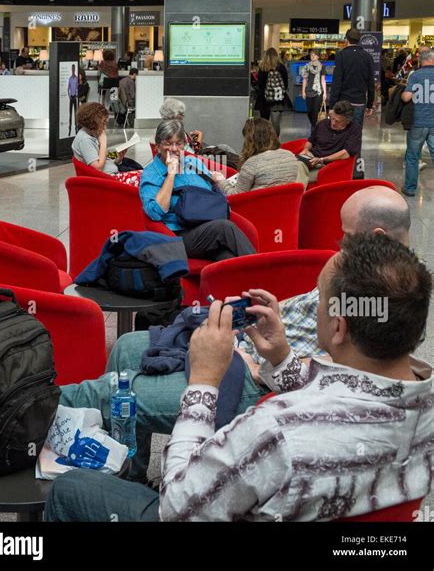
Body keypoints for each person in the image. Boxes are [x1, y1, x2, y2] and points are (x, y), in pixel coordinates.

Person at [45, 233, 432, 522]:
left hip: (189, 506)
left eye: (319, 299)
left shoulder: (275, 430)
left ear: (339, 328)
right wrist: (280, 357)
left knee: (71, 488)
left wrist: (204, 382)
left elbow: (179, 504)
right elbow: (348, 392)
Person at [140, 119, 256, 262]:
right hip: (178, 235)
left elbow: (213, 195)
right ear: (158, 146)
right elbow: (155, 213)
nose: (174, 149)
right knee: (224, 228)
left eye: (179, 143)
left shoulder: (193, 163)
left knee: (228, 257)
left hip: (207, 226)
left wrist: (218, 183)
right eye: (168, 143)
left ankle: (248, 281)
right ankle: (259, 271)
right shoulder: (151, 173)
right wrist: (170, 175)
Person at [214, 118, 298, 195]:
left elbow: (236, 195)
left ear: (250, 140)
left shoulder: (252, 164)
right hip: (285, 208)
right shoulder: (290, 156)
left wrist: (220, 181)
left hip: (255, 208)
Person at [296, 100, 362, 188]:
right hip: (312, 158)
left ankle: (295, 195)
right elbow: (310, 141)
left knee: (296, 173)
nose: (333, 123)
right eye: (332, 118)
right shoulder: (322, 124)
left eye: (337, 121)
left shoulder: (354, 129)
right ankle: (297, 193)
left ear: (347, 121)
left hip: (329, 165)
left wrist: (322, 159)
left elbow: (345, 154)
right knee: (298, 164)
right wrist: (306, 149)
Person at [401, 48, 434, 197]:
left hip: (418, 122)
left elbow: (406, 98)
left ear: (421, 60)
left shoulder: (416, 75)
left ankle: (410, 188)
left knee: (413, 156)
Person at [328, 28, 375, 129]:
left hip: (343, 102)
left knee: (341, 131)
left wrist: (331, 106)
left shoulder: (341, 55)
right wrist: (370, 104)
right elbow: (371, 82)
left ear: (346, 39)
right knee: (356, 133)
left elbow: (337, 82)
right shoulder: (368, 57)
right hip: (359, 102)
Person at [72, 102, 118, 175]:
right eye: (103, 123)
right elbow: (98, 168)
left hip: (111, 173)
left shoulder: (92, 134)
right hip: (106, 179)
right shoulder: (85, 140)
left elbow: (100, 156)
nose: (105, 128)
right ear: (93, 123)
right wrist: (103, 143)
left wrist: (117, 156)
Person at [256, 47, 288, 136]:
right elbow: (285, 84)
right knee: (275, 124)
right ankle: (275, 143)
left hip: (264, 99)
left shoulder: (262, 67)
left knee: (264, 124)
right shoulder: (281, 67)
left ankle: (265, 143)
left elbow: (260, 84)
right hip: (277, 99)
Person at [300, 49, 327, 128]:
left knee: (315, 110)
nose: (313, 56)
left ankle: (313, 127)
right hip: (308, 91)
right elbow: (305, 80)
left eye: (314, 55)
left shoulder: (322, 66)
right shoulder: (307, 66)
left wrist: (325, 92)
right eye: (311, 55)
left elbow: (323, 80)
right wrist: (303, 91)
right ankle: (313, 124)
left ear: (318, 56)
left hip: (318, 91)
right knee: (309, 111)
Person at [67, 64, 79, 136]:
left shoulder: (76, 78)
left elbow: (77, 87)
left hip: (75, 97)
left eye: (74, 69)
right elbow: (68, 88)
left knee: (75, 113)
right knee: (70, 114)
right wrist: (69, 95)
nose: (73, 70)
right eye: (72, 69)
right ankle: (69, 129)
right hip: (71, 97)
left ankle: (76, 128)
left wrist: (77, 94)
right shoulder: (70, 78)